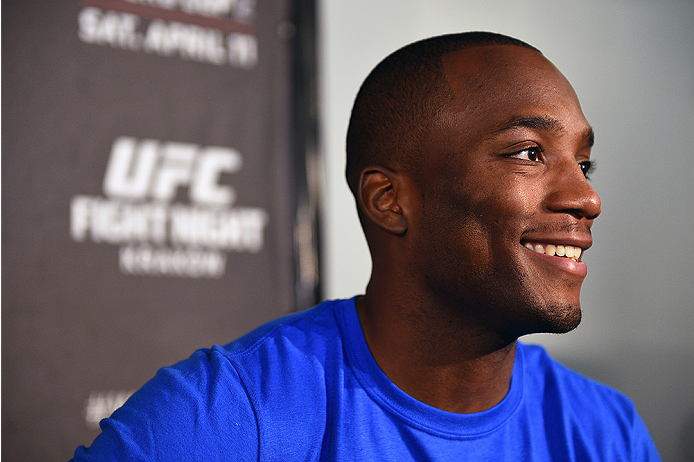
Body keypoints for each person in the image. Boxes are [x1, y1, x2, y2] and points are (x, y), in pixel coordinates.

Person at [72, 32, 661, 461]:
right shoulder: (227, 416)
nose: (587, 198)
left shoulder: (606, 430)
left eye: (584, 163)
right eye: (529, 152)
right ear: (388, 200)